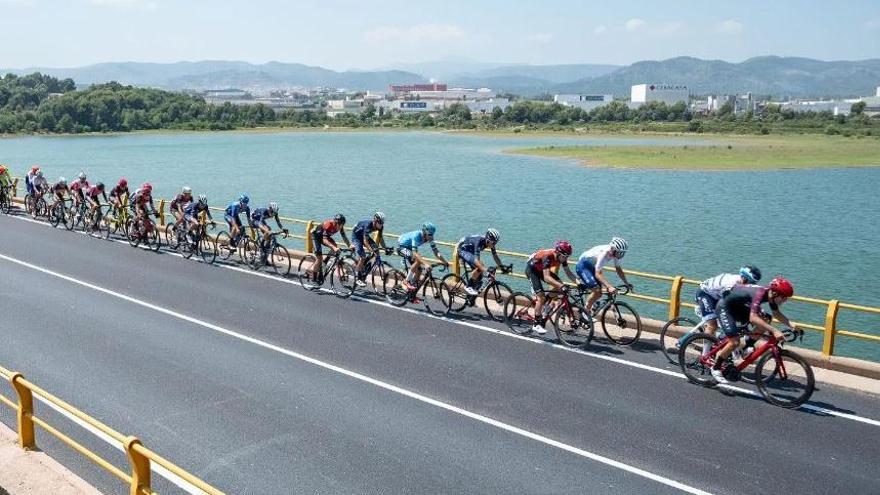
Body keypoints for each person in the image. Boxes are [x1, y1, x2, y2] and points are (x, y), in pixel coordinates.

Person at [710, 277, 796, 384]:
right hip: (725, 307)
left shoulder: (770, 295)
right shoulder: (760, 293)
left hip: (738, 307)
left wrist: (792, 325)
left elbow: (776, 314)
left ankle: (746, 345)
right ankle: (716, 368)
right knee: (734, 341)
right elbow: (753, 318)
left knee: (766, 318)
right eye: (784, 297)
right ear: (775, 293)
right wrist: (774, 331)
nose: (785, 300)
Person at [692, 266, 762, 338]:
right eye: (750, 282)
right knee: (712, 325)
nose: (751, 285)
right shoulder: (731, 284)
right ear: (743, 278)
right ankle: (706, 349)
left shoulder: (743, 284)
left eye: (753, 283)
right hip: (705, 294)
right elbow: (726, 303)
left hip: (718, 297)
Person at [525, 240, 578, 334]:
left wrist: (579, 283)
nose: (566, 258)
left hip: (541, 269)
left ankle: (545, 305)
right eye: (564, 256)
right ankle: (536, 324)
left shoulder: (562, 257)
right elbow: (546, 277)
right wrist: (561, 286)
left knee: (559, 286)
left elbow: (569, 273)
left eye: (567, 256)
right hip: (532, 270)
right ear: (558, 253)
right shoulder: (548, 256)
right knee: (541, 296)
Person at [575, 237, 633, 317]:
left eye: (622, 253)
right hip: (583, 266)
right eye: (620, 252)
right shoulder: (604, 252)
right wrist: (609, 287)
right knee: (597, 290)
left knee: (599, 292)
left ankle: (593, 303)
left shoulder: (614, 254)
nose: (620, 255)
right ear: (613, 249)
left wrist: (627, 283)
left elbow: (618, 270)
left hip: (592, 267)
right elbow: (597, 273)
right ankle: (585, 312)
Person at [397, 222, 449, 291]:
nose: (431, 236)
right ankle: (405, 281)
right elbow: (415, 253)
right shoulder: (417, 235)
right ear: (424, 232)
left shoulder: (430, 238)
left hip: (410, 248)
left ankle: (411, 291)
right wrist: (426, 264)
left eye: (432, 234)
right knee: (418, 260)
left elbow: (436, 252)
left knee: (419, 270)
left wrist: (444, 261)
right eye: (429, 234)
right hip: (402, 247)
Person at [456, 228, 506, 296]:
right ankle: (468, 287)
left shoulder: (490, 243)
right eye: (494, 242)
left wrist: (502, 267)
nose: (494, 244)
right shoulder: (479, 241)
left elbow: (495, 256)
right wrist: (487, 271)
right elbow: (476, 261)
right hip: (463, 249)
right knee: (479, 266)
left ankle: (470, 297)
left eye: (496, 242)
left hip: (471, 250)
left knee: (479, 276)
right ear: (488, 239)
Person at [352, 212, 390, 287]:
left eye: (382, 222)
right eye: (380, 222)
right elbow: (365, 241)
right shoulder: (368, 225)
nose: (381, 224)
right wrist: (371, 251)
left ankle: (364, 267)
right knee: (363, 256)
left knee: (376, 250)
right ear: (375, 221)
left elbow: (380, 238)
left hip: (364, 236)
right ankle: (358, 278)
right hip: (356, 237)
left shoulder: (381, 227)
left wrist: (385, 248)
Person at [310, 213, 351, 279]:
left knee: (335, 245)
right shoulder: (328, 224)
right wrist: (334, 248)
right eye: (340, 224)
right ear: (335, 222)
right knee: (319, 258)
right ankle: (314, 278)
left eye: (342, 225)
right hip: (316, 237)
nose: (341, 226)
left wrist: (349, 245)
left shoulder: (340, 226)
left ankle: (325, 262)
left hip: (324, 236)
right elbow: (324, 240)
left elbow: (344, 236)